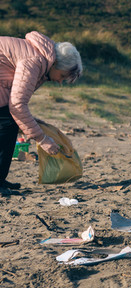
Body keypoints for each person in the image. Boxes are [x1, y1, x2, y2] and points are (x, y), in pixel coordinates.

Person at [0, 31, 82, 196]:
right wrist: (42, 139)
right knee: (8, 124)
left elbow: (17, 102)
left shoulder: (41, 58)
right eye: (63, 76)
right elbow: (17, 105)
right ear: (56, 64)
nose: (60, 81)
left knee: (9, 122)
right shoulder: (34, 61)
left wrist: (34, 123)